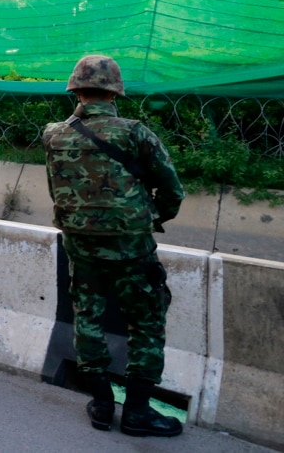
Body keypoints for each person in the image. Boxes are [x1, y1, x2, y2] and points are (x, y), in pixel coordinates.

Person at [43, 54, 186, 437]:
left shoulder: (53, 133)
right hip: (131, 246)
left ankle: (103, 404)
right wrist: (150, 219)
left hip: (80, 243)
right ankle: (137, 411)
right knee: (147, 321)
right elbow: (172, 190)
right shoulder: (134, 132)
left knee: (87, 316)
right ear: (114, 91)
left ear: (76, 88)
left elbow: (56, 188)